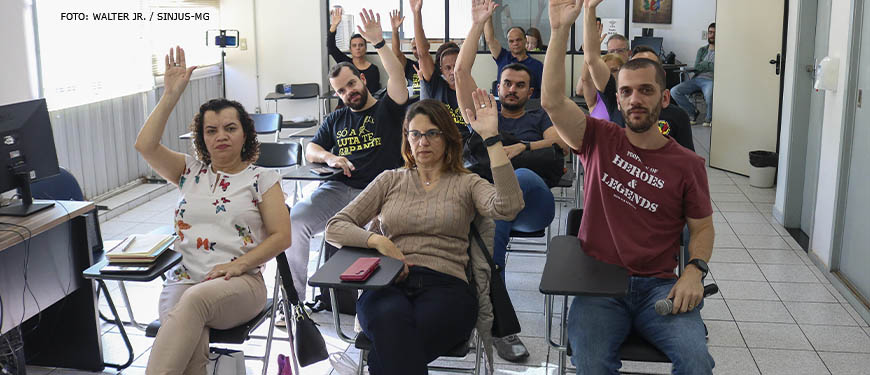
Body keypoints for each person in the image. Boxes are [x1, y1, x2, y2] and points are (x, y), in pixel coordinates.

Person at [541, 1, 716, 374]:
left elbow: (701, 227)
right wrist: (558, 32)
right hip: (600, 283)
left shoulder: (688, 164)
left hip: (659, 286)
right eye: (627, 92)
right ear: (617, 100)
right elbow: (552, 101)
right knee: (590, 362)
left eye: (646, 91)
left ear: (665, 98)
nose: (636, 99)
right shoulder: (598, 139)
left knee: (696, 362)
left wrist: (694, 271)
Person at [325, 93, 524, 375]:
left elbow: (510, 207)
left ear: (449, 138)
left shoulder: (467, 183)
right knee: (390, 324)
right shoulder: (390, 180)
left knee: (389, 350)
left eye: (432, 134)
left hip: (447, 287)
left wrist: (492, 140)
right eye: (415, 134)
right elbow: (335, 226)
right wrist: (379, 241)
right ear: (406, 139)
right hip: (388, 283)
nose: (423, 142)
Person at [135, 46, 292, 374]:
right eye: (211, 130)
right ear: (201, 138)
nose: (221, 136)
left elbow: (282, 237)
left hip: (241, 282)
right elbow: (145, 146)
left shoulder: (261, 178)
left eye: (230, 128)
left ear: (245, 133)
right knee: (191, 342)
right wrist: (170, 96)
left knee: (192, 305)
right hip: (184, 278)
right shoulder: (188, 171)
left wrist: (240, 265)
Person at [455, 0, 563, 362]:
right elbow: (460, 72)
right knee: (485, 213)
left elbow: (561, 141)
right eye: (507, 83)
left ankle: (487, 293)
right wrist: (479, 23)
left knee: (516, 178)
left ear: (529, 92)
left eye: (520, 85)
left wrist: (522, 146)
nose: (512, 89)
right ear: (497, 86)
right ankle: (492, 312)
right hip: (489, 203)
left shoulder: (539, 115)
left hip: (534, 203)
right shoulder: (484, 114)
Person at [286, 9, 409, 301]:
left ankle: (367, 307)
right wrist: (331, 158)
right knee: (296, 220)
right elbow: (311, 148)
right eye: (341, 91)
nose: (348, 93)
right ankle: (294, 302)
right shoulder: (336, 118)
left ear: (363, 80)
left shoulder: (386, 108)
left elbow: (398, 78)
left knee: (374, 239)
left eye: (351, 84)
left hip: (379, 195)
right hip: (339, 188)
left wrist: (379, 42)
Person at [583, 3, 694, 152]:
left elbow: (686, 162)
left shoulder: (678, 116)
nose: (635, 99)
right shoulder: (617, 102)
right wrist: (589, 9)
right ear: (617, 99)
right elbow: (592, 59)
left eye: (649, 67)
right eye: (636, 66)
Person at [410, 0, 469, 135]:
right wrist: (416, 13)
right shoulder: (436, 85)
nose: (452, 72)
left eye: (456, 67)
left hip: (465, 146)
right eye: (448, 68)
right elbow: (422, 53)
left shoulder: (471, 90)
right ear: (441, 69)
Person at [484, 15, 544, 99]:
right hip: (502, 106)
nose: (515, 43)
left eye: (518, 40)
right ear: (508, 43)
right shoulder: (502, 57)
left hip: (529, 108)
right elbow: (489, 39)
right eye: (511, 41)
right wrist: (487, 14)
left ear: (525, 40)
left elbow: (545, 92)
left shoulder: (537, 65)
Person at [328, 7, 382, 95]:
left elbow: (373, 93)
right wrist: (334, 26)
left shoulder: (373, 69)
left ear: (365, 48)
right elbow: (331, 47)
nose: (358, 48)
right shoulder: (345, 63)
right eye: (354, 45)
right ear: (350, 49)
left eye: (361, 45)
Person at [671, 22, 716, 126]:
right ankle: (693, 112)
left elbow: (718, 68)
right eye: (710, 32)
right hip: (697, 79)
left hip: (711, 80)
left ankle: (708, 119)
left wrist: (704, 64)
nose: (712, 35)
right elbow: (697, 66)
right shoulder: (702, 50)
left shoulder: (723, 51)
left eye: (715, 33)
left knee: (709, 94)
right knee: (674, 91)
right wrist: (709, 65)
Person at [389, 9, 421, 93]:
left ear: (427, 46)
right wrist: (395, 31)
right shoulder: (410, 65)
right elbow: (396, 53)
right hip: (412, 104)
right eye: (414, 48)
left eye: (420, 46)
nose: (418, 50)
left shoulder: (435, 66)